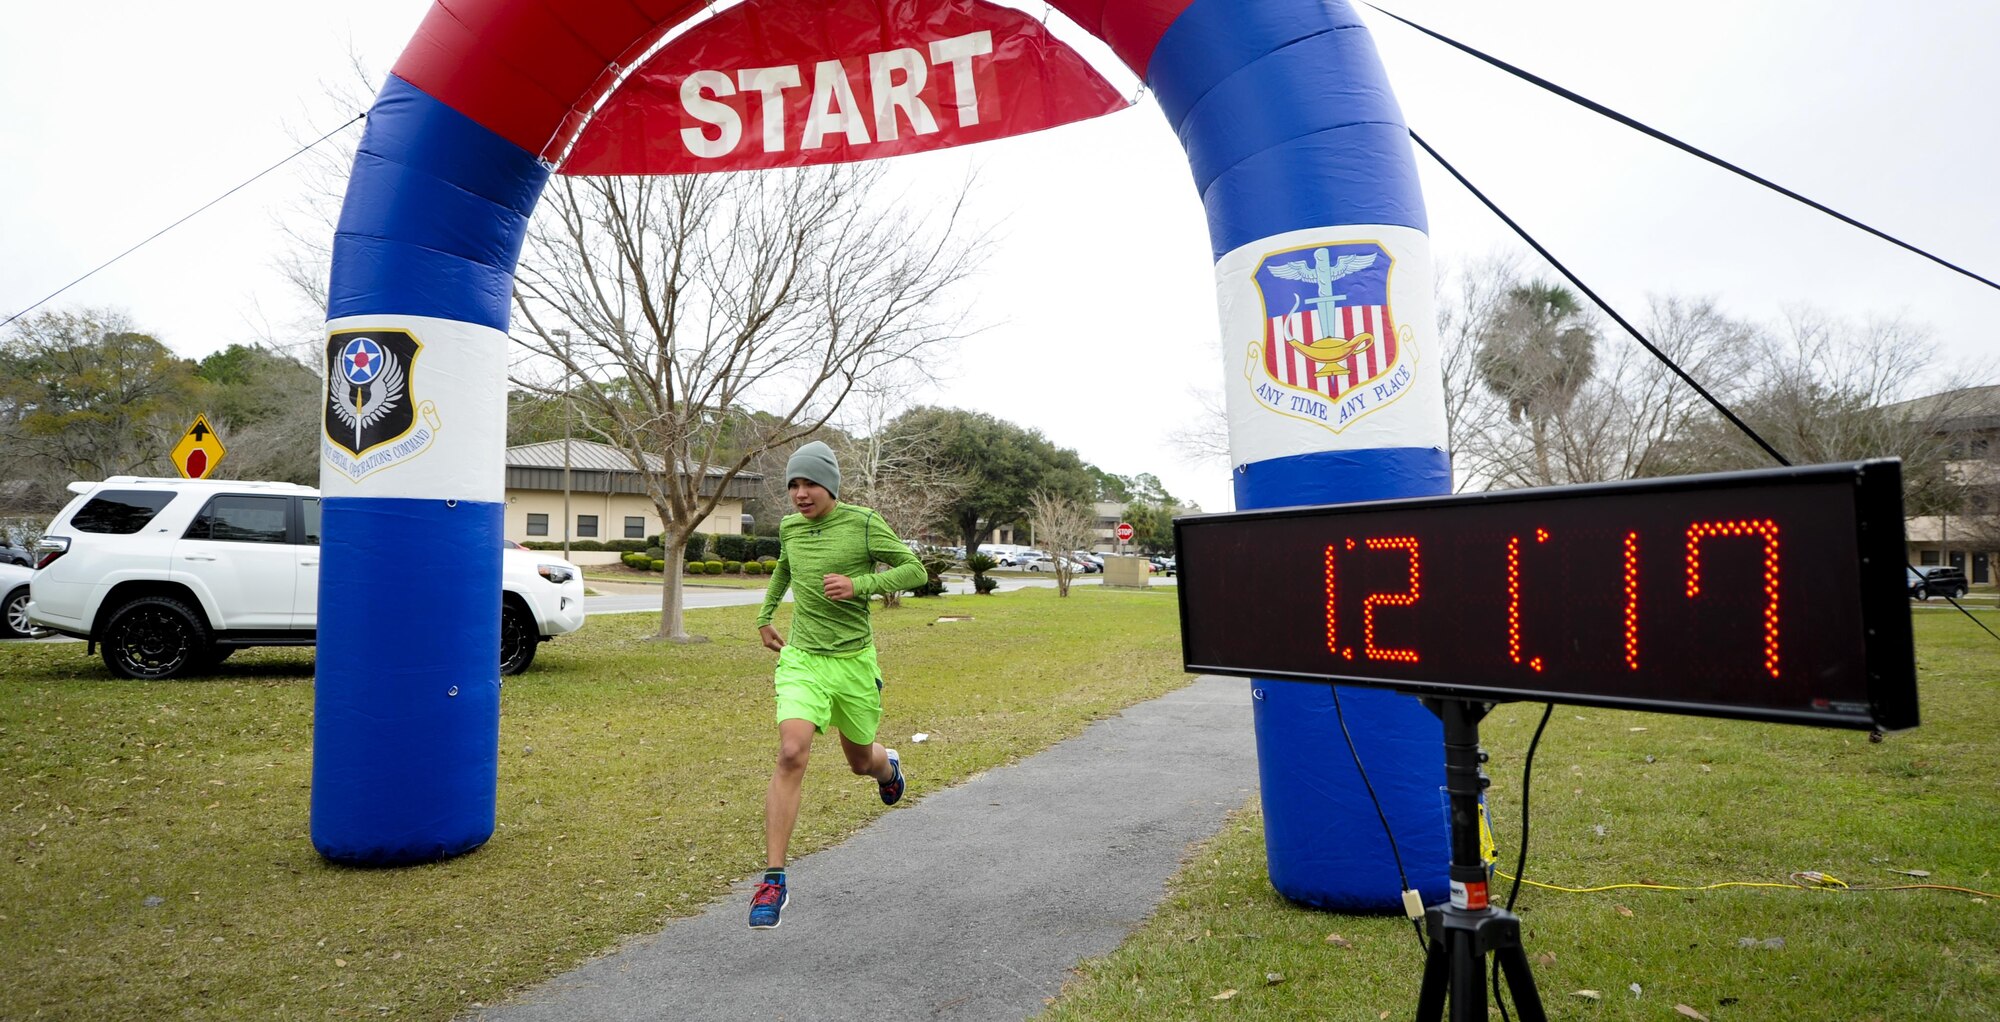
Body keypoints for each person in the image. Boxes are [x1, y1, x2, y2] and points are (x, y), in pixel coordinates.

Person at [748, 440, 928, 929]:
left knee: (859, 761)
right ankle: (774, 879)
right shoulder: (789, 527)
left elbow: (916, 569)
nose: (800, 494)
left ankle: (886, 769)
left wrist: (860, 586)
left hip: (852, 663)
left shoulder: (864, 523)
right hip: (802, 658)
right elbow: (786, 567)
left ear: (829, 485)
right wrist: (766, 616)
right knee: (791, 751)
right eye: (793, 486)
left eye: (809, 484)